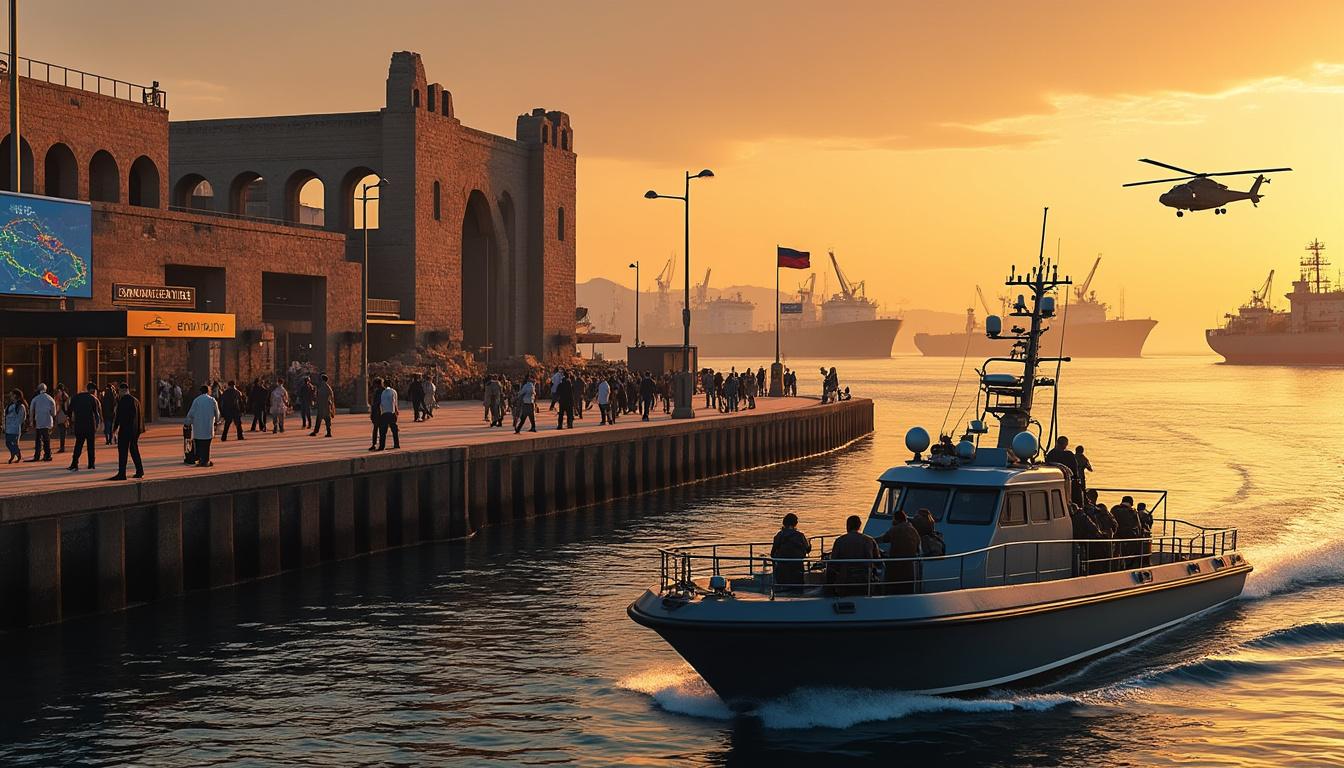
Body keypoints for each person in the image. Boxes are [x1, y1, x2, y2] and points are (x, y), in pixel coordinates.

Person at [827, 515, 881, 596]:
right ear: (859, 525)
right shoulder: (869, 540)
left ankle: (830, 593)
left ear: (847, 526)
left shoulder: (840, 541)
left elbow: (833, 563)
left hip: (845, 581)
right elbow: (877, 561)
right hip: (865, 580)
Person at [878, 509, 922, 594]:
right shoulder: (913, 531)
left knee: (891, 590)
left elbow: (883, 539)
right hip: (909, 570)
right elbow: (917, 547)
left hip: (895, 568)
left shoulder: (895, 529)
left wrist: (870, 540)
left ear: (896, 519)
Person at [110, 383, 144, 480]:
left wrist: (114, 429)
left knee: (123, 451)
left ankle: (122, 473)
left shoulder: (123, 401)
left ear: (121, 390)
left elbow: (119, 416)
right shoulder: (136, 400)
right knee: (134, 450)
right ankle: (139, 470)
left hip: (125, 429)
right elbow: (140, 417)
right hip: (135, 431)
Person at [770, 513, 811, 592]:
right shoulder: (800, 536)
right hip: (797, 568)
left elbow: (772, 553)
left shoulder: (779, 536)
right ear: (795, 523)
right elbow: (807, 550)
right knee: (798, 589)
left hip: (782, 569)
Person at [67, 382, 101, 471]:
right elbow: (96, 413)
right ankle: (91, 464)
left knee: (78, 445)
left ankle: (74, 463)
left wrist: (70, 421)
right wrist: (98, 424)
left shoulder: (75, 398)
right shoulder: (92, 399)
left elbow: (69, 410)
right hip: (90, 425)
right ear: (92, 390)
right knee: (91, 446)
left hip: (79, 425)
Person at [186, 384, 220, 468]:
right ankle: (206, 460)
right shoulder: (212, 400)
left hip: (198, 427)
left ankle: (201, 459)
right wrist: (217, 421)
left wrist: (187, 423)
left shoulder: (196, 400)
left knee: (199, 445)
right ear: (208, 391)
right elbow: (217, 412)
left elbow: (191, 413)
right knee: (207, 445)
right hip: (208, 426)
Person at [1044, 436, 1082, 503]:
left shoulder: (1050, 454)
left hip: (1054, 483)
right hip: (1068, 484)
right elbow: (1075, 472)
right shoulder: (1069, 455)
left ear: (1056, 443)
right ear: (1065, 445)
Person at [1111, 495, 1143, 568]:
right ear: (1131, 503)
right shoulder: (1132, 512)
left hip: (1115, 537)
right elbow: (1138, 526)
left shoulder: (1114, 509)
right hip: (1128, 538)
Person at [26, 383, 56, 462]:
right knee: (46, 439)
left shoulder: (35, 399)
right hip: (48, 422)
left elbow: (31, 410)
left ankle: (37, 456)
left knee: (38, 439)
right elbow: (54, 413)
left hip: (39, 421)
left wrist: (31, 421)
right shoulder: (50, 399)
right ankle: (47, 455)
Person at [377, 377, 400, 450]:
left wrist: (381, 412)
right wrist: (396, 411)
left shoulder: (383, 392)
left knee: (383, 431)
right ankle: (396, 444)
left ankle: (381, 446)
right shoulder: (393, 391)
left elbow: (382, 403)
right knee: (394, 430)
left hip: (384, 413)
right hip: (391, 412)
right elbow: (395, 402)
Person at [4, 389, 26, 464]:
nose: (11, 396)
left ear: (16, 395)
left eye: (12, 395)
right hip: (8, 427)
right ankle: (14, 455)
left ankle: (17, 454)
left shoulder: (20, 406)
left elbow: (22, 418)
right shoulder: (10, 404)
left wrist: (16, 424)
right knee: (9, 443)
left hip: (15, 428)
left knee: (12, 443)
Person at [53, 382, 70, 453]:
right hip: (65, 415)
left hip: (60, 415)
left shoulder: (58, 395)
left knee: (61, 431)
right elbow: (68, 406)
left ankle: (62, 447)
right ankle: (62, 447)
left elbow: (57, 406)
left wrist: (55, 414)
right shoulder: (66, 395)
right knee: (63, 432)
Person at [368, 378, 384, 451]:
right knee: (380, 429)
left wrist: (372, 413)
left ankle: (375, 444)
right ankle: (379, 444)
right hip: (382, 412)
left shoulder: (379, 392)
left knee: (377, 429)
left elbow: (375, 403)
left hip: (378, 412)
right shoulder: (383, 391)